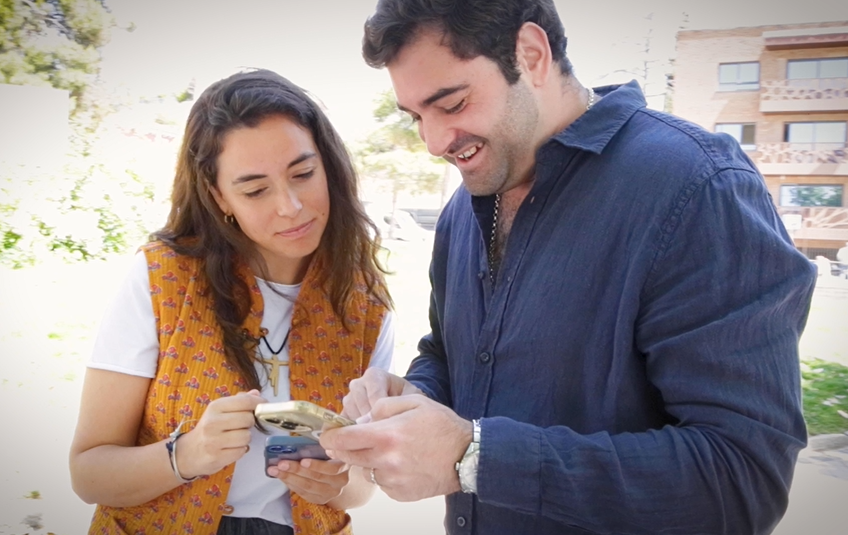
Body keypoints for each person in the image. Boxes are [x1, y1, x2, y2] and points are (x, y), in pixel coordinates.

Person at [319, 1, 817, 534]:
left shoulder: (696, 187)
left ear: (531, 55)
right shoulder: (462, 211)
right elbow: (451, 352)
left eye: (453, 103)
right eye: (417, 117)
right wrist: (416, 397)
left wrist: (475, 458)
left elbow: (743, 481)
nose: (435, 142)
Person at [69, 69, 394, 535]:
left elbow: (361, 485)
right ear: (219, 196)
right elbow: (89, 471)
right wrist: (188, 454)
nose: (291, 206)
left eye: (303, 174)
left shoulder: (364, 304)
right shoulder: (163, 278)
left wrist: (335, 482)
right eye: (256, 189)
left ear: (329, 166)